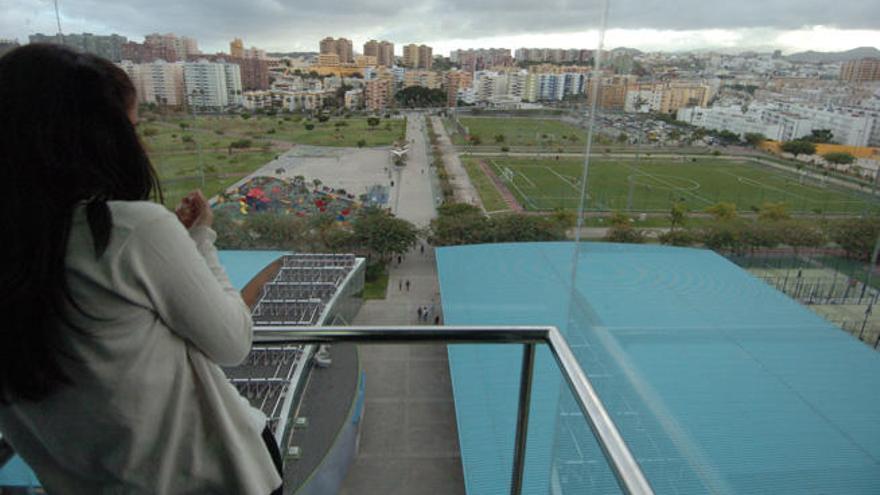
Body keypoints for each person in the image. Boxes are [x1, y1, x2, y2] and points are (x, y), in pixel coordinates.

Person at [0, 45, 282, 494]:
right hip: (213, 478)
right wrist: (201, 241)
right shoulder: (130, 229)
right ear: (93, 137)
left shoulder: (22, 250)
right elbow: (233, 342)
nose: (141, 145)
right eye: (131, 128)